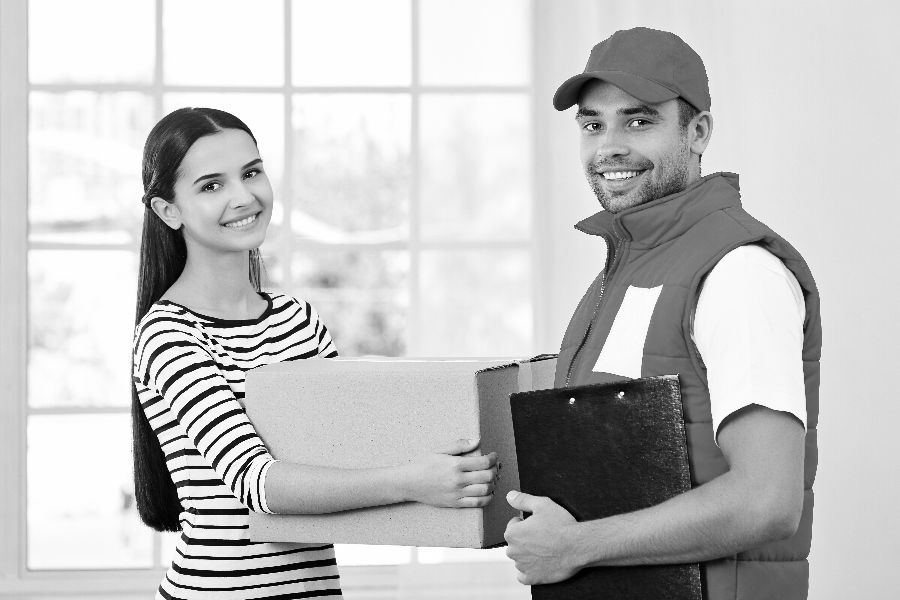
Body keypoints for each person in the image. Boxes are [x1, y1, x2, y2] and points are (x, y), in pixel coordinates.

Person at [504, 27, 821, 599]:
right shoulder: (620, 274)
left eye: (639, 120)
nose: (609, 147)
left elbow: (767, 502)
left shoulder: (739, 272)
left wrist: (577, 546)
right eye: (593, 124)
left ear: (698, 132)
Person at [131, 107, 499, 600]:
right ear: (168, 211)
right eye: (211, 186)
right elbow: (260, 485)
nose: (243, 197)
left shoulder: (296, 319)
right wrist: (413, 481)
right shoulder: (168, 334)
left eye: (251, 173)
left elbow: (345, 458)